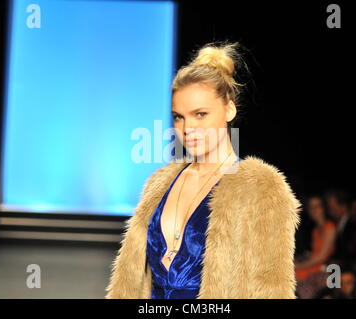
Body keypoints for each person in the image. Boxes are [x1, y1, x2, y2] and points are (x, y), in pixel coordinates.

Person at [105, 41, 301, 299]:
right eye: (179, 116)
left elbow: (272, 290)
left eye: (200, 114)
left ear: (229, 108)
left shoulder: (263, 189)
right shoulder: (159, 184)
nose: (187, 128)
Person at [295, 195, 336, 298]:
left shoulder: (329, 227)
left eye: (318, 206)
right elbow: (314, 254)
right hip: (315, 264)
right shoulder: (316, 230)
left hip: (324, 267)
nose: (314, 210)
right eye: (312, 207)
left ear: (323, 208)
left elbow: (322, 257)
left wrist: (299, 265)